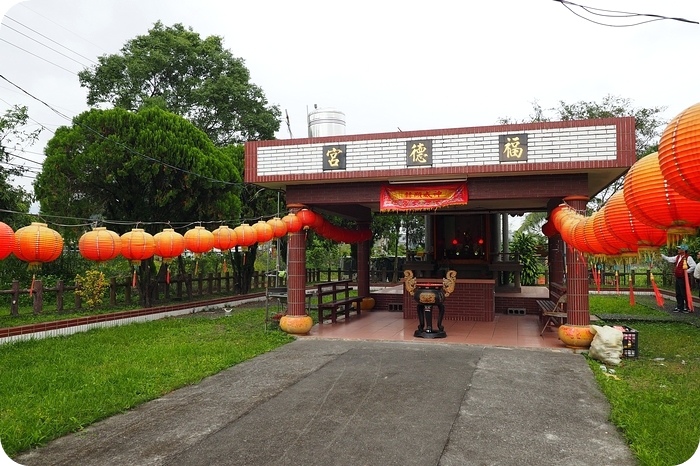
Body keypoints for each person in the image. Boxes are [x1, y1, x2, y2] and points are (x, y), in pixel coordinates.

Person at [661, 244, 696, 313]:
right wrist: (662, 255)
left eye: (679, 249)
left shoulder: (688, 257)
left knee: (684, 293)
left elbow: (693, 266)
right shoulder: (678, 257)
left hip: (684, 278)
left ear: (684, 250)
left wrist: (686, 272)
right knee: (678, 292)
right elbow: (669, 259)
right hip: (678, 277)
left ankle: (688, 307)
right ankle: (680, 306)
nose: (678, 250)